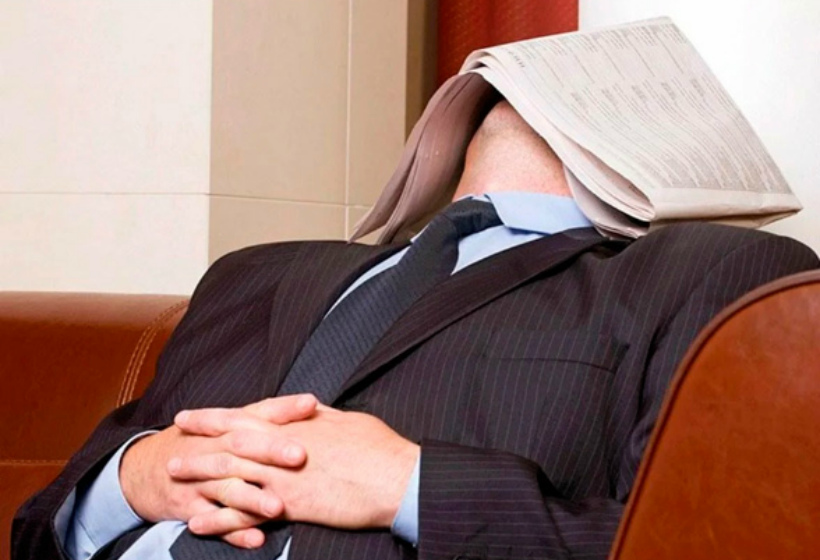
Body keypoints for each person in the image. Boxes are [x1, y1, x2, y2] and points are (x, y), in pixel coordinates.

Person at [13, 100, 819, 560]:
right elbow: (37, 525)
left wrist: (410, 486)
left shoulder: (716, 272)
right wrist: (130, 479)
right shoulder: (256, 271)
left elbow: (712, 545)